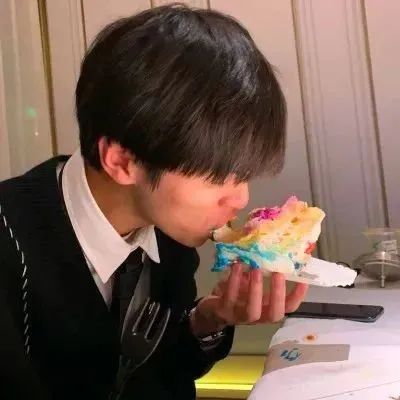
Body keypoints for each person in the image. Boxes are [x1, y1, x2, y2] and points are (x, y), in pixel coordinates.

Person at [0, 4, 308, 399]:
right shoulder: (11, 247)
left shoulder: (166, 226)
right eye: (217, 176)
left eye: (243, 174)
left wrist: (206, 321)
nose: (241, 198)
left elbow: (157, 372)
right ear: (122, 162)